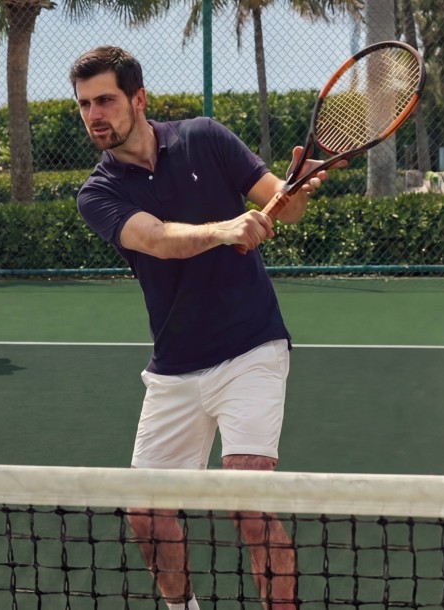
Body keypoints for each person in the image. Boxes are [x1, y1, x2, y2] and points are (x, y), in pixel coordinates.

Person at [69, 47, 345, 610]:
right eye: (83, 105)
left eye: (105, 100)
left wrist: (295, 189)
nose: (94, 114)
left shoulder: (205, 137)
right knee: (146, 514)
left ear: (137, 99)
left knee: (247, 500)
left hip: (251, 347)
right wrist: (225, 229)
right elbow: (157, 239)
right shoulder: (98, 193)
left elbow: (279, 205)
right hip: (174, 366)